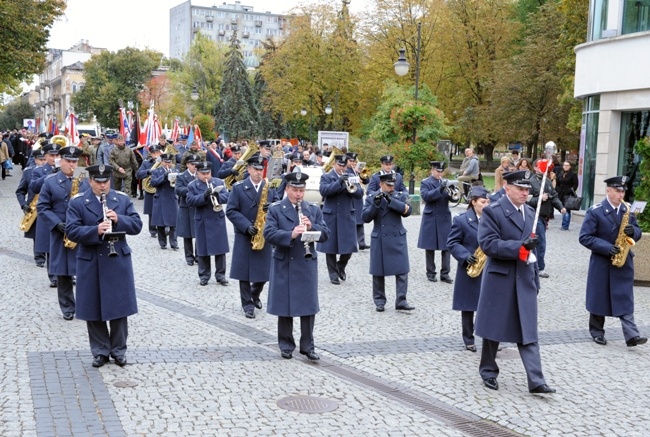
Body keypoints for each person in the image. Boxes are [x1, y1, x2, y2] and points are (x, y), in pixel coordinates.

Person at [475, 170, 555, 394]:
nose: (524, 193)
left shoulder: (530, 212)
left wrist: (536, 277)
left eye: (527, 189)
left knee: (528, 330)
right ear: (507, 188)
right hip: (501, 277)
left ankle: (536, 380)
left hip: (524, 277)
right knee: (494, 330)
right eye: (520, 188)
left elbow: (534, 252)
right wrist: (519, 246)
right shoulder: (493, 211)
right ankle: (488, 371)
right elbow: (488, 244)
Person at [65, 164, 142, 368]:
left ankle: (118, 350)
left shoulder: (122, 199)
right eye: (98, 182)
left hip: (117, 260)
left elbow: (137, 225)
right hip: (91, 259)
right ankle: (100, 351)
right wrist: (96, 230)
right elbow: (71, 230)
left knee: (119, 307)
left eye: (106, 181)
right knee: (93, 307)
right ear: (90, 181)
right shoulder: (78, 202)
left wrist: (119, 220)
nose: (102, 186)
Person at [263, 170, 330, 361]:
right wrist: (290, 234)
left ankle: (308, 346)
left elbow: (326, 234)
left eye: (301, 190)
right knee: (285, 306)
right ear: (287, 189)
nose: (298, 194)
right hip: (285, 262)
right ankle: (285, 344)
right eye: (294, 190)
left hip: (306, 262)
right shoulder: (276, 209)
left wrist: (312, 227)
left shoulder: (313, 209)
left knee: (308, 307)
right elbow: (268, 234)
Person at [578, 176, 646, 347]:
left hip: (623, 260)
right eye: (617, 190)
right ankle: (597, 332)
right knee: (599, 296)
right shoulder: (595, 211)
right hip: (602, 261)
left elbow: (637, 231)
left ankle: (632, 335)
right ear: (608, 190)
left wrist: (634, 232)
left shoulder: (627, 210)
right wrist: (606, 247)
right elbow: (585, 237)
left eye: (623, 191)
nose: (621, 194)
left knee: (624, 297)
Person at [37, 146, 89, 320]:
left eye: (75, 161)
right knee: (63, 272)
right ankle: (67, 307)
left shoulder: (83, 176)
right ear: (61, 161)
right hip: (61, 232)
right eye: (69, 161)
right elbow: (42, 207)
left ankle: (85, 305)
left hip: (81, 231)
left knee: (85, 271)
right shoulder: (50, 181)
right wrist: (56, 223)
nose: (72, 165)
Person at [226, 154, 281, 318]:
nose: (258, 172)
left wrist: (271, 206)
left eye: (261, 169)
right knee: (244, 272)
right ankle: (247, 304)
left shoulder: (269, 187)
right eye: (255, 169)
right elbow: (231, 210)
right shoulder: (238, 188)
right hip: (245, 234)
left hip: (263, 234)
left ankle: (255, 294)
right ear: (248, 169)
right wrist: (245, 226)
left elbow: (278, 204)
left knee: (264, 271)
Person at [362, 173, 414, 312]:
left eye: (393, 185)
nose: (391, 188)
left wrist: (391, 200)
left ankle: (401, 300)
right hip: (380, 237)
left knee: (402, 271)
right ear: (381, 184)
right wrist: (375, 204)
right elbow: (365, 218)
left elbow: (408, 211)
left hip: (397, 236)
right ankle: (379, 301)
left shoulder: (400, 195)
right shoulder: (372, 197)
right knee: (378, 271)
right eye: (388, 185)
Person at [447, 186, 490, 351]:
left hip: (489, 267)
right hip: (470, 266)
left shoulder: (492, 219)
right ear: (473, 202)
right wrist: (464, 256)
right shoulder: (461, 220)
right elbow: (452, 243)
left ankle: (490, 338)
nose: (486, 205)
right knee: (468, 305)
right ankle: (468, 338)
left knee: (490, 304)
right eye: (483, 202)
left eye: (488, 201)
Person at [317, 154, 363, 284]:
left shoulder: (351, 176)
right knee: (330, 246)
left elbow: (359, 194)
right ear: (334, 164)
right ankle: (332, 273)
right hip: (331, 215)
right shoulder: (326, 177)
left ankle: (341, 266)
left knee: (350, 246)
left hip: (346, 215)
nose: (342, 168)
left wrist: (351, 186)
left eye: (344, 165)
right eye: (339, 165)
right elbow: (324, 191)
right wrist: (339, 183)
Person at [186, 161, 230, 286]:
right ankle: (204, 275)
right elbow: (190, 201)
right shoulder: (192, 185)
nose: (206, 176)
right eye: (202, 173)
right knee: (203, 249)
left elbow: (228, 197)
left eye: (208, 173)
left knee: (220, 249)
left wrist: (218, 196)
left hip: (217, 218)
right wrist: (203, 196)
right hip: (202, 219)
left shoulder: (218, 182)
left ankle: (220, 275)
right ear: (197, 173)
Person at [526, 160, 566, 278]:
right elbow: (526, 201)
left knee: (539, 241)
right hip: (534, 216)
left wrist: (561, 207)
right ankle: (539, 267)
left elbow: (554, 197)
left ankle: (535, 265)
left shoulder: (547, 181)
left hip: (544, 216)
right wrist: (539, 199)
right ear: (535, 168)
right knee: (540, 242)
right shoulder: (531, 182)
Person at [418, 161, 453, 283]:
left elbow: (453, 198)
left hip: (444, 217)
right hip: (431, 217)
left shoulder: (446, 182)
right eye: (438, 171)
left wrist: (453, 194)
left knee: (447, 247)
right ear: (432, 170)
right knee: (430, 246)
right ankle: (431, 272)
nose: (440, 173)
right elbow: (426, 197)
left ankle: (445, 273)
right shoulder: (425, 182)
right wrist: (440, 188)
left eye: (441, 171)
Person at [30, 142, 59, 287]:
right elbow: (34, 187)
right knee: (50, 245)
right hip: (48, 210)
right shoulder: (39, 171)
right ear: (46, 157)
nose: (54, 158)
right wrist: (49, 175)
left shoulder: (68, 169)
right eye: (51, 155)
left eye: (57, 155)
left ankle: (68, 274)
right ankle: (53, 275)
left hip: (64, 209)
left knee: (68, 245)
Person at [16, 149, 47, 267]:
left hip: (50, 207)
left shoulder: (55, 172)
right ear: (35, 160)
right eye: (41, 159)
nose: (43, 162)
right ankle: (39, 258)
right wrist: (23, 204)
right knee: (37, 234)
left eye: (45, 159)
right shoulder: (28, 172)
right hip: (34, 208)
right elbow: (20, 191)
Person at [150, 152, 179, 250]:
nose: (168, 163)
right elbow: (153, 183)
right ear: (162, 162)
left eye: (169, 162)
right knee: (160, 223)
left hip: (171, 197)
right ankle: (162, 243)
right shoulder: (156, 171)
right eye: (166, 161)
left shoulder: (175, 170)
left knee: (173, 223)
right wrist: (164, 177)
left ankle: (174, 243)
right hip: (161, 198)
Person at [175, 154, 200, 266]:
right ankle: (189, 257)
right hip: (186, 207)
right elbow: (178, 190)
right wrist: (192, 190)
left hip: (198, 207)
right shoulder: (181, 176)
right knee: (187, 234)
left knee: (199, 233)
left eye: (196, 164)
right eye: (192, 164)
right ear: (187, 165)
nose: (194, 166)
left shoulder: (200, 175)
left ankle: (199, 256)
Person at [135, 145, 162, 238]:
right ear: (151, 154)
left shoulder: (164, 161)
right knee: (151, 210)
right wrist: (149, 171)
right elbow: (138, 174)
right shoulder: (146, 163)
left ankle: (163, 228)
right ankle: (153, 229)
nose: (156, 155)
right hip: (150, 189)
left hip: (161, 188)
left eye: (157, 152)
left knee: (162, 209)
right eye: (154, 153)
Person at [346, 152, 370, 250]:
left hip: (359, 198)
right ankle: (351, 242)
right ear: (347, 161)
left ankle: (361, 242)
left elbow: (367, 181)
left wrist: (362, 173)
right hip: (351, 197)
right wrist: (355, 173)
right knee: (351, 221)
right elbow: (350, 181)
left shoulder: (357, 171)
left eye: (354, 161)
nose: (353, 163)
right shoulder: (346, 170)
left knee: (360, 220)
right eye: (351, 161)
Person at [555, 161, 579, 230]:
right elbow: (558, 183)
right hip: (561, 194)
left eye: (567, 165)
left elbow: (575, 184)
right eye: (565, 165)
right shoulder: (561, 173)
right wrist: (558, 190)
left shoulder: (573, 174)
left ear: (570, 166)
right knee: (563, 209)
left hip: (568, 195)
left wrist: (570, 190)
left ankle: (565, 225)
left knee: (567, 209)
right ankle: (563, 224)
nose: (566, 167)